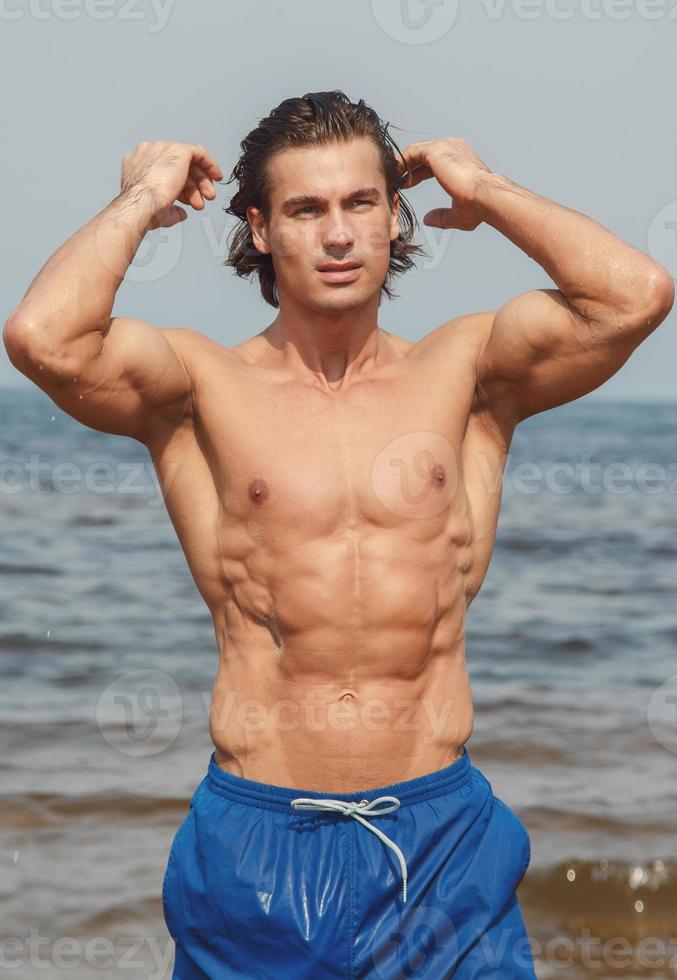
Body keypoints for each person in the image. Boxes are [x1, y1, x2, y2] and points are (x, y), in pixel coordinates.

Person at [3, 90, 673, 979]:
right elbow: (42, 337)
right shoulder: (198, 387)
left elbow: (634, 296)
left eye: (361, 202)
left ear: (395, 219)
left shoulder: (468, 369)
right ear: (260, 229)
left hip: (442, 844)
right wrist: (138, 201)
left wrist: (486, 188)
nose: (338, 234)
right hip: (256, 840)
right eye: (306, 209)